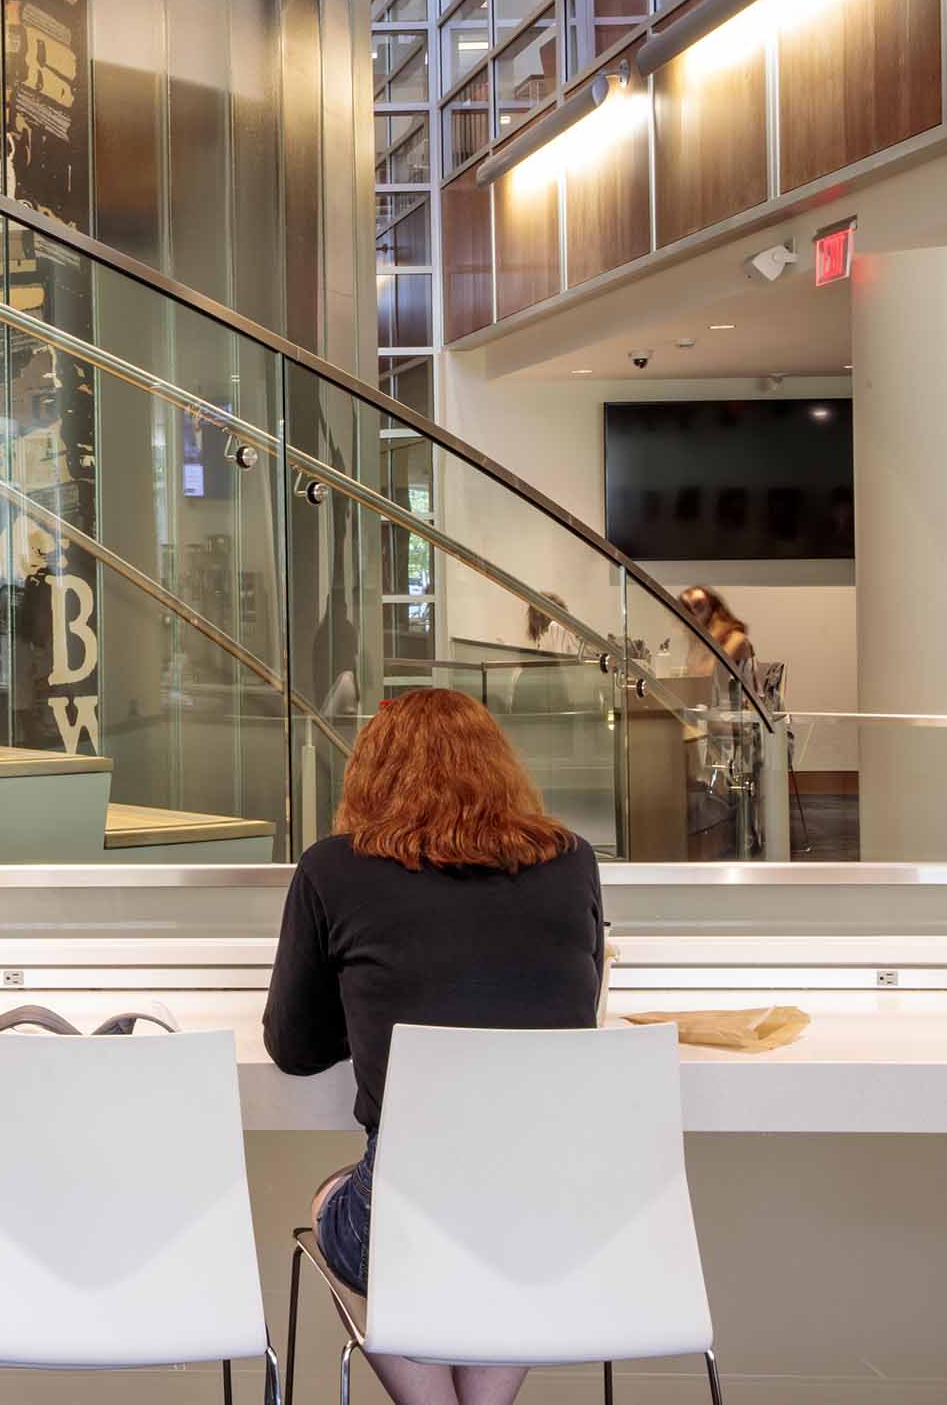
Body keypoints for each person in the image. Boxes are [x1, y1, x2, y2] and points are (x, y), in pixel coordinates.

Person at [264, 687, 603, 1405]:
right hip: (555, 1211)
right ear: (500, 767)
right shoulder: (572, 861)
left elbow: (293, 1048)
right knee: (503, 1218)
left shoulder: (332, 868)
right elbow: (580, 1012)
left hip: (407, 1222)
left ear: (369, 773)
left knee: (345, 1204)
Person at [675, 584, 754, 675]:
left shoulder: (737, 638)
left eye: (698, 606)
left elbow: (711, 674)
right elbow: (692, 674)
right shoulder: (698, 641)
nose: (692, 611)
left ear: (712, 605)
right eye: (687, 609)